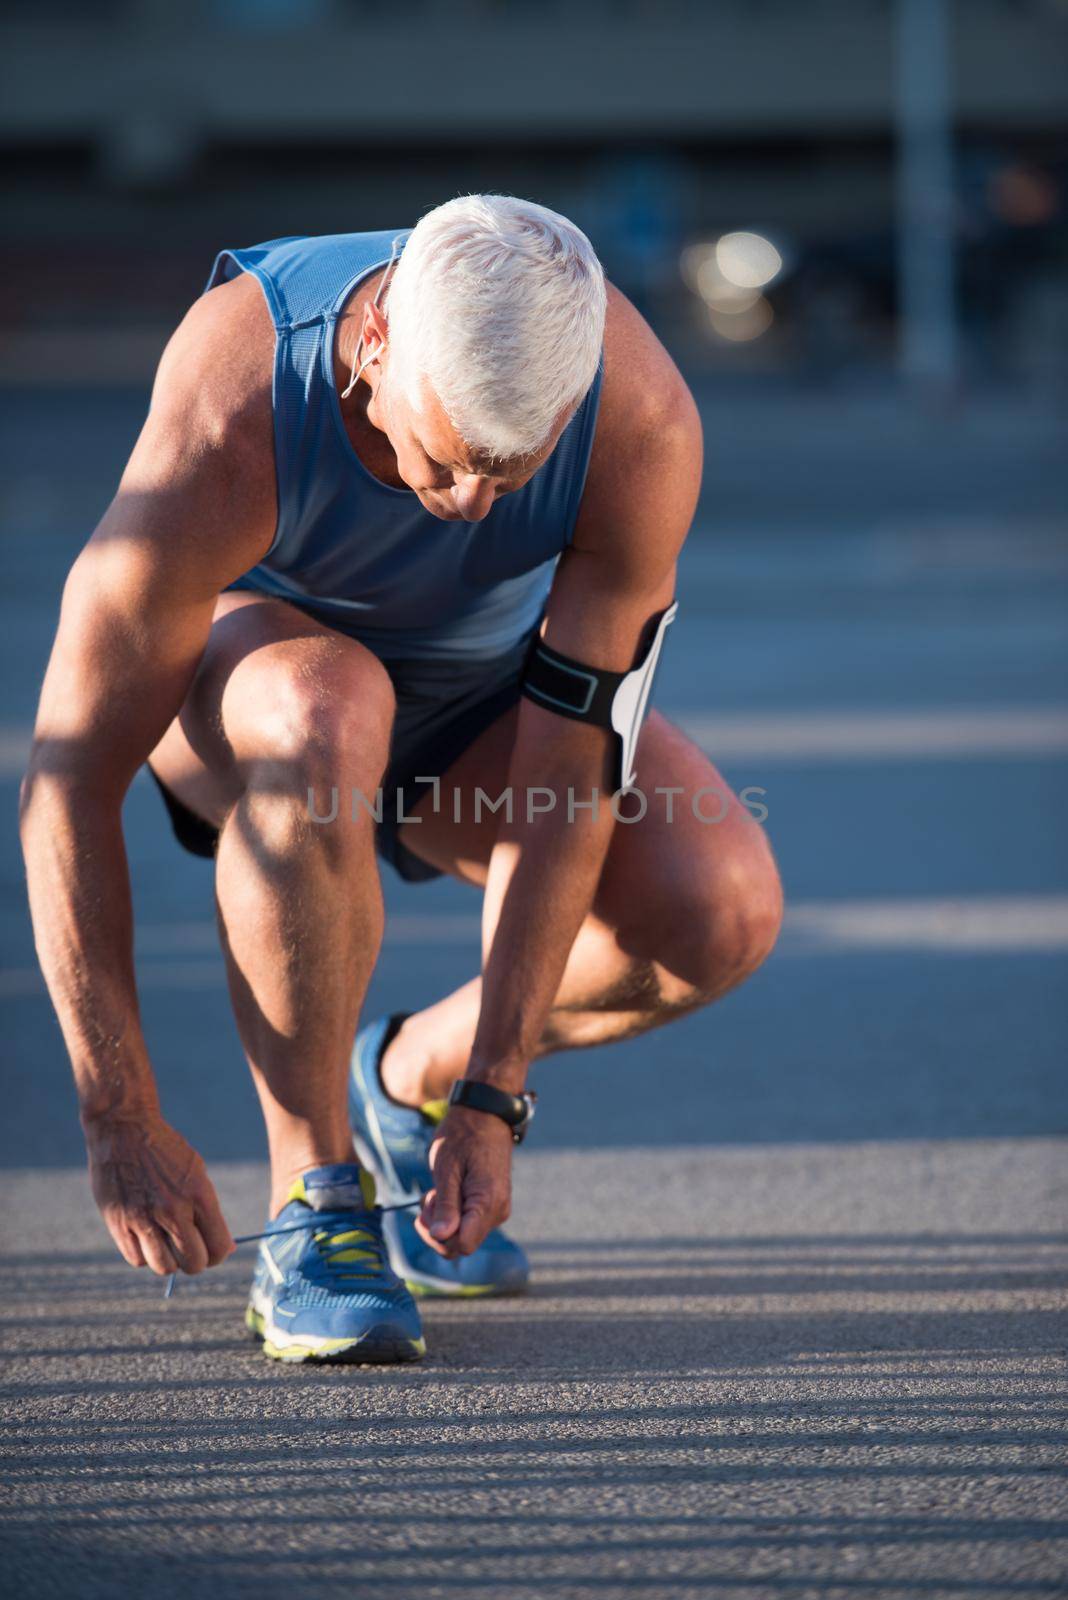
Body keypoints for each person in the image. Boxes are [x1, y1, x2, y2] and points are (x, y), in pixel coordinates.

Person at [20, 195, 782, 1364]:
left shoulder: (638, 421)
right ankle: (314, 1200)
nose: (470, 503)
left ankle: (399, 1080)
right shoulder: (235, 397)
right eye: (439, 455)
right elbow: (67, 783)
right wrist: (117, 1108)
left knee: (717, 906)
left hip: (469, 707)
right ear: (374, 343)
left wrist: (489, 1093)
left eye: (508, 471)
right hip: (255, 696)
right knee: (330, 705)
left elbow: (565, 773)